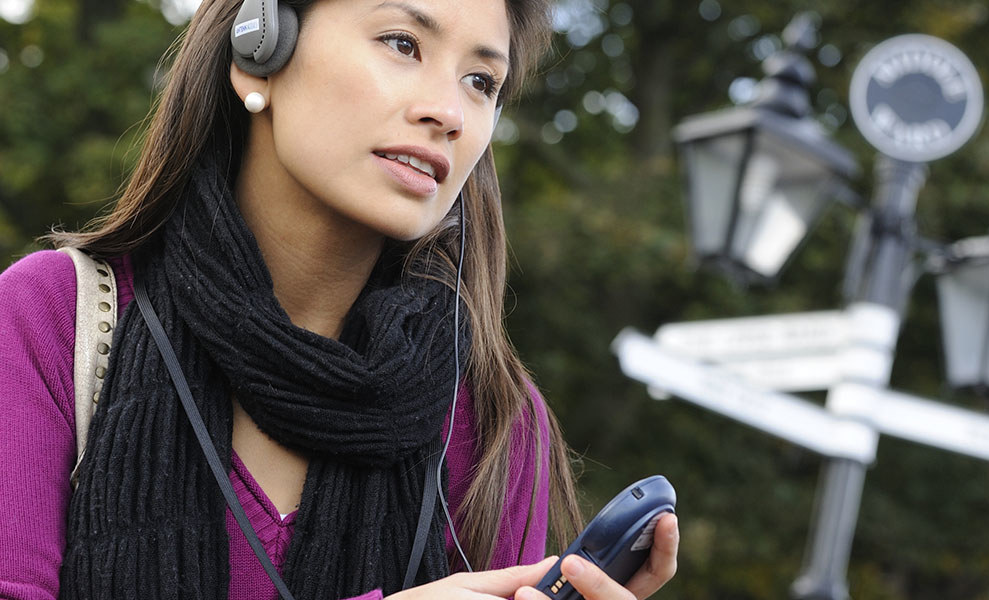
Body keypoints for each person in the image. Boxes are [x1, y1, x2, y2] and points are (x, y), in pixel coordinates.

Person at [0, 0, 679, 598]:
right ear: (260, 50)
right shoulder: (50, 320)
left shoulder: (497, 421)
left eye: (481, 81)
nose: (447, 113)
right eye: (403, 43)